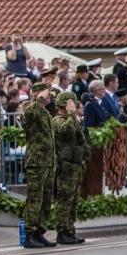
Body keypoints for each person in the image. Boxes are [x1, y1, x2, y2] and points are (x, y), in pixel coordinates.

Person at [22, 82, 57, 249]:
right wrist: (38, 100)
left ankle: (39, 232)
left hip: (48, 162)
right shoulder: (31, 109)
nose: (49, 95)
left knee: (46, 199)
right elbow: (27, 117)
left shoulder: (45, 113)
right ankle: (29, 232)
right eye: (46, 93)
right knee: (35, 199)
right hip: (36, 162)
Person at [52, 91, 88, 245]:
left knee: (73, 200)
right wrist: (72, 114)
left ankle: (70, 229)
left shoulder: (72, 120)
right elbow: (67, 131)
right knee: (64, 199)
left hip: (75, 163)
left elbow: (80, 138)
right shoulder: (57, 120)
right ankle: (62, 231)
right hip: (65, 165)